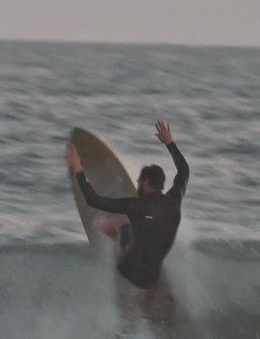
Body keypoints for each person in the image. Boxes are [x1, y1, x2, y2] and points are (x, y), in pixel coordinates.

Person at [65, 121, 189, 313]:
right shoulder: (175, 199)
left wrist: (78, 168)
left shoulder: (135, 205)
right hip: (152, 276)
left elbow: (92, 199)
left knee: (118, 224)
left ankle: (110, 234)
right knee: (154, 238)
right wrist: (170, 143)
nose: (137, 183)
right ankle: (152, 298)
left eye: (139, 181)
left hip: (129, 270)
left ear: (146, 183)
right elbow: (184, 171)